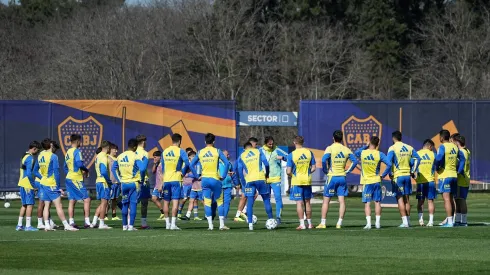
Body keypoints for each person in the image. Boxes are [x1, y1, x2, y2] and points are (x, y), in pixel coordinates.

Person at [317, 130, 358, 229]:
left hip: (332, 176)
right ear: (342, 138)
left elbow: (323, 159)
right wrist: (348, 171)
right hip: (342, 177)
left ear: (333, 138)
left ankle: (323, 223)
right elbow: (355, 161)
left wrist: (325, 170)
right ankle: (339, 223)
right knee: (342, 201)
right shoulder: (346, 149)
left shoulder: (330, 148)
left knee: (326, 201)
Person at [189, 133, 230, 230]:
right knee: (220, 201)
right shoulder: (217, 151)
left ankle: (210, 226)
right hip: (215, 179)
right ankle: (221, 225)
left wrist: (197, 176)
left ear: (205, 141)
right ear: (214, 141)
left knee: (207, 202)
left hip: (205, 180)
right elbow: (227, 163)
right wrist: (223, 176)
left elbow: (191, 165)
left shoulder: (200, 152)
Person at [37, 139, 78, 231]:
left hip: (43, 182)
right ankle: (66, 225)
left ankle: (47, 225)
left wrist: (44, 177)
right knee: (58, 205)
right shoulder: (53, 156)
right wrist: (58, 187)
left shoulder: (40, 155)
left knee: (46, 205)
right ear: (51, 145)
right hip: (51, 183)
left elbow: (36, 170)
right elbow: (56, 172)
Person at [355, 137, 392, 229]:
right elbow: (389, 164)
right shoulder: (380, 154)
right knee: (377, 202)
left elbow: (356, 153)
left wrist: (365, 146)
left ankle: (368, 224)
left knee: (367, 203)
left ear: (369, 142)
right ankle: (378, 223)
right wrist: (383, 175)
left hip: (367, 181)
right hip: (376, 180)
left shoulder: (363, 152)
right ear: (378, 144)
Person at [386, 130, 421, 228]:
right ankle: (408, 221)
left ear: (393, 138)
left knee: (400, 199)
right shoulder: (409, 147)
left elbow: (388, 163)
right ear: (401, 137)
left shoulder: (392, 148)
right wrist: (413, 171)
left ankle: (405, 222)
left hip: (398, 176)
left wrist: (389, 173)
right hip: (407, 176)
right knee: (407, 199)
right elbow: (418, 159)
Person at [112, 138, 146, 231]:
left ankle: (124, 226)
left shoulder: (120, 156)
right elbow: (142, 168)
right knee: (133, 204)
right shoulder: (136, 156)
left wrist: (119, 180)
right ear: (135, 147)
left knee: (125, 204)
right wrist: (141, 179)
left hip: (124, 184)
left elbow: (113, 168)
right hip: (133, 183)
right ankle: (130, 226)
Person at [237, 142, 273, 230]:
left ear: (245, 149)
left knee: (250, 202)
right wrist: (267, 174)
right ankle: (271, 220)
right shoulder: (258, 151)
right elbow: (267, 164)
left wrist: (244, 183)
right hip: (260, 178)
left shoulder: (242, 156)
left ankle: (250, 225)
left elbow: (239, 170)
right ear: (252, 147)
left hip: (249, 180)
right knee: (266, 199)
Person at [160, 134, 190, 230]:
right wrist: (183, 172)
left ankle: (167, 224)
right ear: (180, 141)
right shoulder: (180, 151)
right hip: (176, 179)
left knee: (166, 202)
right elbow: (187, 163)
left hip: (166, 179)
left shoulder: (165, 152)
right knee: (175, 201)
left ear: (172, 140)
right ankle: (173, 224)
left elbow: (163, 168)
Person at [436, 130, 465, 228]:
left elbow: (439, 158)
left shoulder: (442, 147)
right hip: (454, 176)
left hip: (445, 175)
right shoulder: (455, 146)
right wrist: (459, 170)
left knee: (446, 199)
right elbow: (462, 159)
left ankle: (449, 222)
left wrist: (436, 167)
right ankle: (451, 220)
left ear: (441, 138)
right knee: (451, 199)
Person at [286, 136, 316, 230]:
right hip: (307, 180)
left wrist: (293, 175)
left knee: (299, 203)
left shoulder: (292, 154)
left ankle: (302, 224)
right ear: (303, 142)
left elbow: (288, 171)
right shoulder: (309, 152)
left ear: (294, 142)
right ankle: (310, 224)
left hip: (297, 181)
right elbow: (314, 167)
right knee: (307, 202)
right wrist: (306, 174)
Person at [64, 134, 91, 229]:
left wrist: (70, 174)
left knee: (72, 201)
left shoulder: (68, 152)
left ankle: (71, 222)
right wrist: (86, 170)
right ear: (78, 141)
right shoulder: (77, 151)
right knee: (87, 199)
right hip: (76, 178)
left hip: (69, 178)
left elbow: (65, 167)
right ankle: (87, 222)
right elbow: (79, 164)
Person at [259, 136, 287, 224]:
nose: (271, 145)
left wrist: (282, 158)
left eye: (272, 143)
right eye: (269, 144)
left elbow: (288, 157)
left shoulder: (277, 149)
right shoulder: (260, 151)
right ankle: (270, 218)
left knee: (278, 198)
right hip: (265, 179)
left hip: (276, 179)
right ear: (265, 143)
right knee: (267, 199)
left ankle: (278, 218)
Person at [16, 141, 42, 231]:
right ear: (34, 149)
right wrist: (33, 185)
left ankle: (19, 225)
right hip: (27, 184)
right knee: (30, 204)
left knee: (24, 205)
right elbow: (29, 173)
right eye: (37, 151)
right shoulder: (30, 158)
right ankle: (28, 226)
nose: (37, 153)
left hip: (22, 183)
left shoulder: (24, 156)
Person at [35, 139, 59, 229]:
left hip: (43, 180)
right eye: (55, 148)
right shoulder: (45, 155)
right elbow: (35, 170)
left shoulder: (43, 154)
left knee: (47, 203)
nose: (55, 151)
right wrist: (43, 178)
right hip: (42, 181)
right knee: (42, 202)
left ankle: (49, 221)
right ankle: (40, 222)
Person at [234, 137, 259, 222]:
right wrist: (239, 181)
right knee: (247, 195)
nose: (256, 146)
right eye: (255, 144)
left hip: (249, 178)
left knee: (247, 195)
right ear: (251, 144)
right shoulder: (244, 154)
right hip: (246, 178)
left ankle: (240, 213)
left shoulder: (252, 153)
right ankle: (240, 213)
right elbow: (237, 166)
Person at [415, 139, 437, 227]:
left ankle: (421, 221)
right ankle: (431, 221)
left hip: (420, 182)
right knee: (430, 201)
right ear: (430, 146)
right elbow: (438, 165)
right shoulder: (433, 154)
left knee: (420, 202)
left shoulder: (417, 154)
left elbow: (412, 166)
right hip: (430, 181)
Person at [91, 141, 112, 229]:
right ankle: (102, 223)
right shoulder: (103, 156)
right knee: (104, 203)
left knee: (103, 203)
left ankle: (94, 222)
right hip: (103, 182)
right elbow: (103, 171)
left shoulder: (98, 156)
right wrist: (109, 181)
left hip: (98, 181)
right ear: (108, 147)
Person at [135, 135, 151, 229]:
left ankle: (128, 223)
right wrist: (141, 179)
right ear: (144, 142)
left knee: (132, 202)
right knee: (144, 202)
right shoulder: (145, 153)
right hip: (143, 181)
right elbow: (143, 168)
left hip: (132, 180)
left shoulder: (133, 152)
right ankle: (143, 223)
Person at [454, 135, 470, 226]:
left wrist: (457, 172)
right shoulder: (467, 151)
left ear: (457, 142)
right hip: (464, 179)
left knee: (461, 200)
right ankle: (458, 220)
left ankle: (463, 221)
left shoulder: (462, 152)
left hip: (461, 179)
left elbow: (461, 166)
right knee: (458, 200)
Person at [184, 151, 203, 220]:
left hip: (199, 185)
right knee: (191, 200)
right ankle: (187, 215)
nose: (190, 159)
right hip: (194, 185)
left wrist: (188, 175)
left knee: (202, 201)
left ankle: (208, 214)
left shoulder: (198, 164)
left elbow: (197, 175)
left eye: (192, 157)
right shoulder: (192, 164)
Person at [220, 150, 238, 219]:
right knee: (218, 202)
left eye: (228, 154)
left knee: (227, 201)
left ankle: (224, 216)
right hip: (219, 185)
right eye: (227, 155)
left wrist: (236, 184)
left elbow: (233, 174)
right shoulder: (217, 163)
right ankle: (213, 215)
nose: (228, 156)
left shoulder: (229, 164)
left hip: (228, 185)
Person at [151, 151, 166, 220]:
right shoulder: (157, 164)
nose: (154, 159)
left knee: (164, 200)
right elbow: (153, 171)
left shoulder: (163, 164)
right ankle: (163, 213)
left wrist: (161, 185)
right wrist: (154, 164)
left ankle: (165, 215)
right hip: (157, 185)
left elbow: (164, 175)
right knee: (154, 198)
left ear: (160, 157)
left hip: (161, 185)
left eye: (155, 157)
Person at [108, 143, 121, 220]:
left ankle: (114, 215)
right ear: (110, 149)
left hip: (116, 182)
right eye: (114, 149)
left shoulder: (117, 159)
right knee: (107, 200)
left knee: (114, 200)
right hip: (110, 182)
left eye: (117, 149)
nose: (116, 151)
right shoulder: (107, 158)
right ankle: (105, 215)